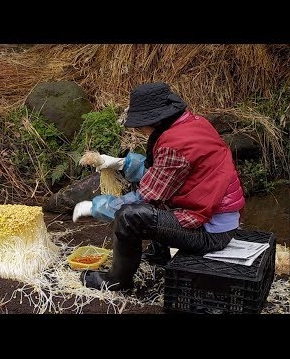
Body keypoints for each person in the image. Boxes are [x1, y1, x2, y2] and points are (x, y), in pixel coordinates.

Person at [73, 82, 245, 291]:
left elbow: (148, 196)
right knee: (151, 202)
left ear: (155, 121)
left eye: (140, 125)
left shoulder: (175, 146)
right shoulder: (193, 124)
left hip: (211, 233)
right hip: (218, 219)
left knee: (129, 216)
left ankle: (117, 280)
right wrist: (121, 163)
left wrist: (97, 207)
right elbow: (160, 175)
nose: (140, 130)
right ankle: (158, 253)